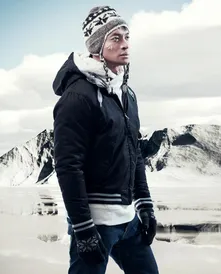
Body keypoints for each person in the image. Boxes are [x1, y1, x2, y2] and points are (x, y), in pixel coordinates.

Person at [52, 5, 159, 274]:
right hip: (95, 225)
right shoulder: (78, 96)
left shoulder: (127, 95)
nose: (125, 45)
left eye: (127, 36)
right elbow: (67, 166)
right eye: (116, 38)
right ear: (97, 47)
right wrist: (83, 229)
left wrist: (144, 204)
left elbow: (133, 152)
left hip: (128, 221)